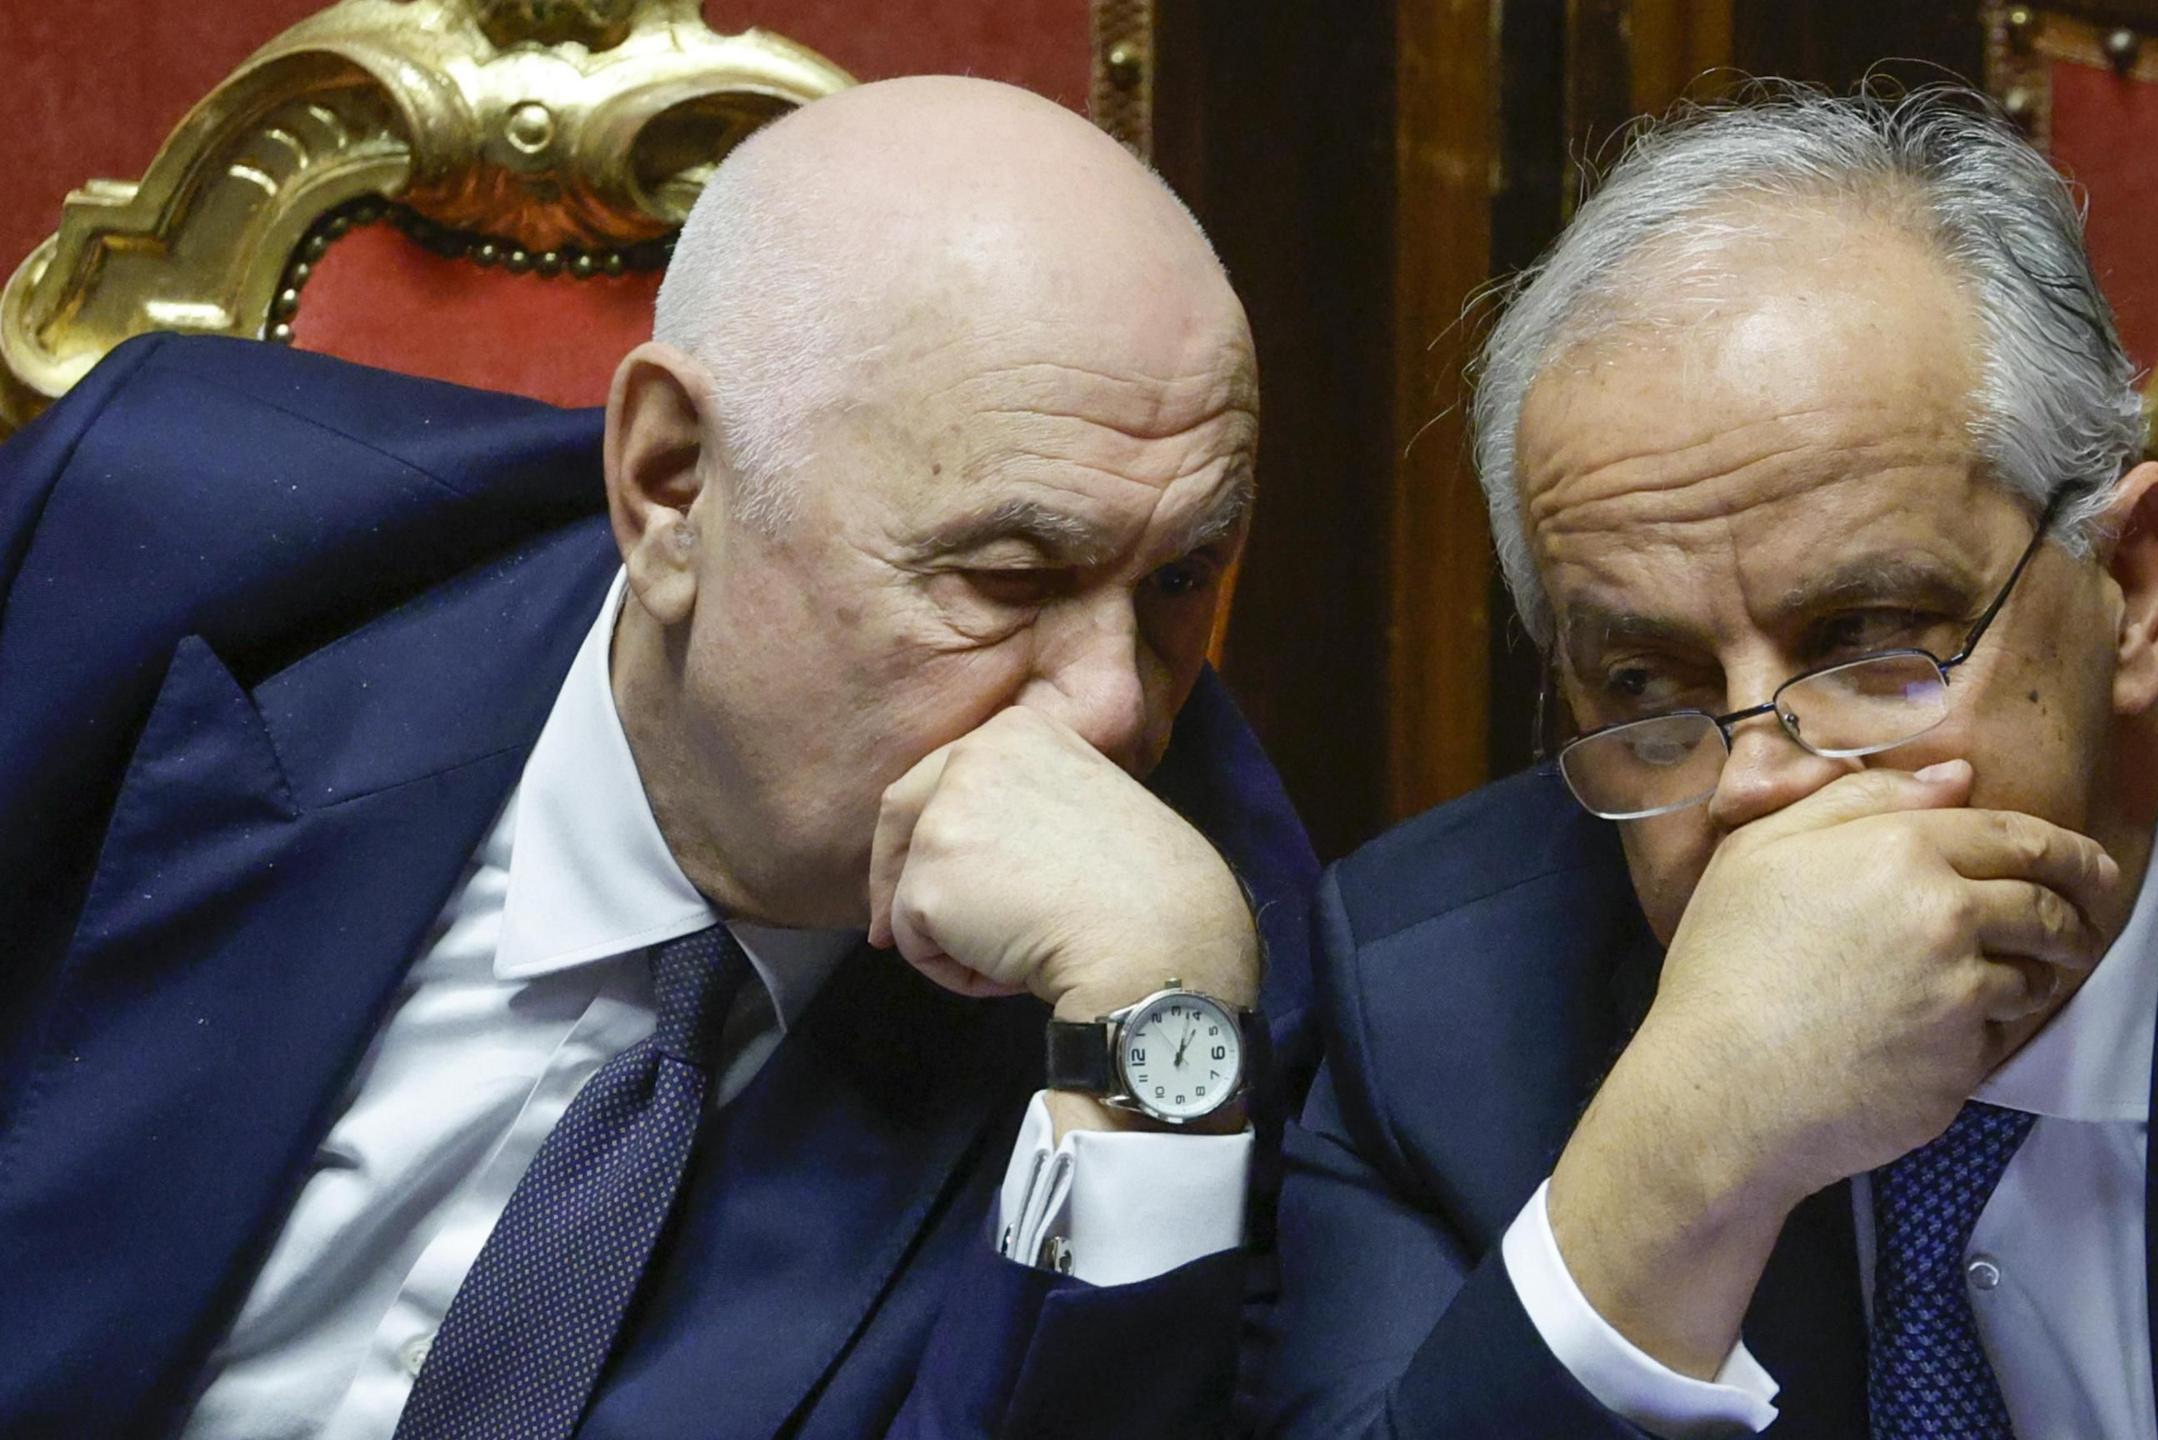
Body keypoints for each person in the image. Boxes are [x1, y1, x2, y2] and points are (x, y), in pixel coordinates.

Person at [0, 78, 1314, 1439]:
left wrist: (1148, 1043)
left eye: (1183, 579)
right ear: (675, 482)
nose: (1113, 712)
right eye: (1009, 575)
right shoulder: (164, 546)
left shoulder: (1194, 969)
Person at [1254, 86, 2158, 1439]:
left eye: (1870, 640)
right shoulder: (1434, 1019)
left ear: (2131, 584)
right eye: (1649, 682)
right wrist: (1679, 1166)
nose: (1762, 783)